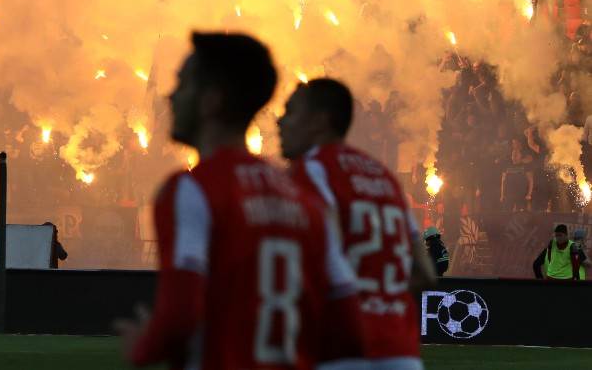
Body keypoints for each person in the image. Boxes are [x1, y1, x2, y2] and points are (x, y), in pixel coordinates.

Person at [114, 33, 364, 369]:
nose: (171, 97)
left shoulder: (192, 190)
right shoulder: (304, 200)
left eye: (183, 84)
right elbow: (350, 324)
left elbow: (180, 312)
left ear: (211, 101)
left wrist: (144, 348)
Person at [278, 78, 436, 370]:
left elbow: (320, 254)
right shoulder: (383, 177)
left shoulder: (312, 171)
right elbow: (426, 273)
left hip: (341, 349)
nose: (280, 122)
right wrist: (378, 297)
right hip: (401, 352)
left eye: (290, 112)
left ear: (319, 121)